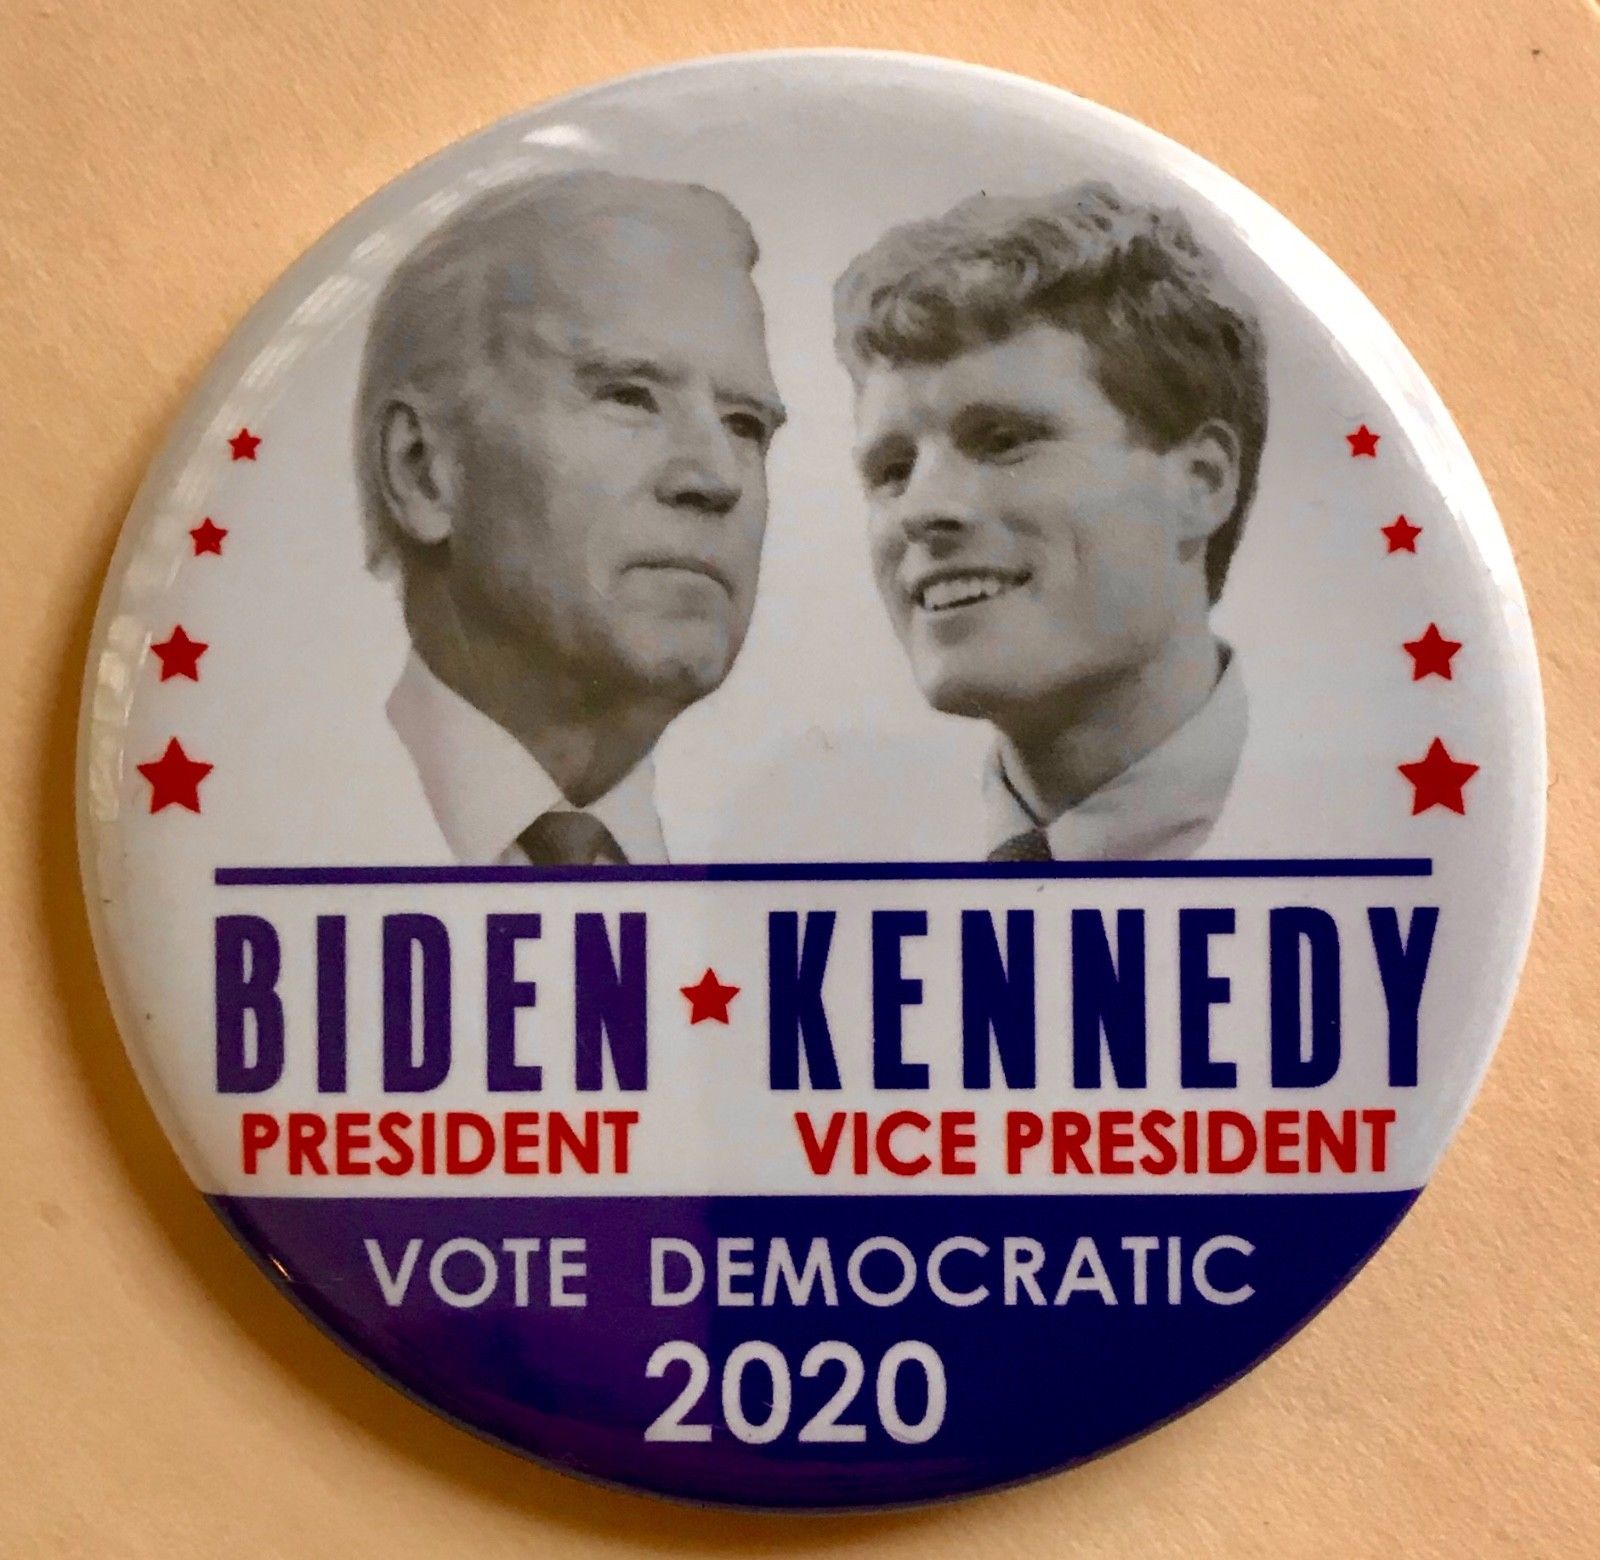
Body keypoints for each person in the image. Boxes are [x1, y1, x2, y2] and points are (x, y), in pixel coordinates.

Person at [355, 170, 786, 864]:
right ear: (423, 469)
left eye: (745, 424)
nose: (718, 478)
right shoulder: (260, 817)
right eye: (630, 396)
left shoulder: (799, 863)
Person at [832, 182, 1267, 860]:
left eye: (1003, 441)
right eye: (892, 471)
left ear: (1200, 483)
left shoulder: (1363, 824)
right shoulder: (860, 871)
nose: (920, 509)